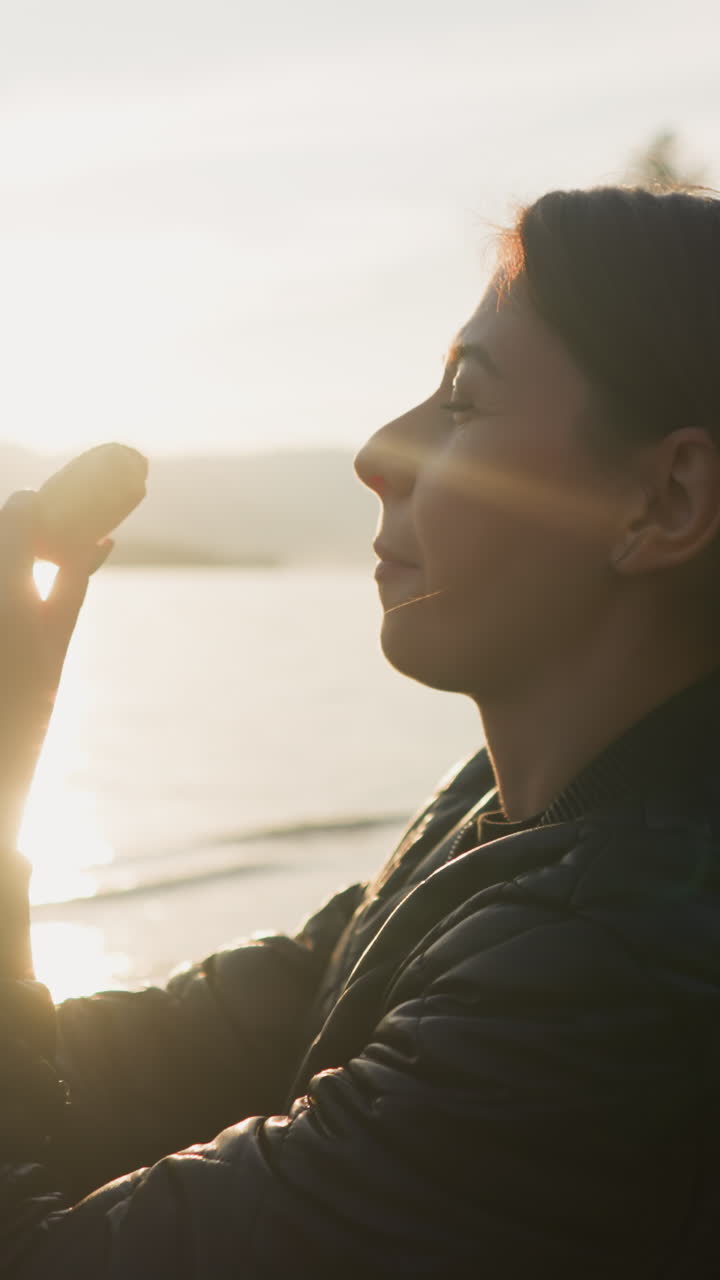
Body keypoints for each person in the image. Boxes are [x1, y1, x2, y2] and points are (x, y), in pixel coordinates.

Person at [1, 183, 719, 1277]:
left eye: (463, 400)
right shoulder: (501, 819)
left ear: (665, 501)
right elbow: (141, 1064)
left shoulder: (610, 977)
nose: (378, 450)